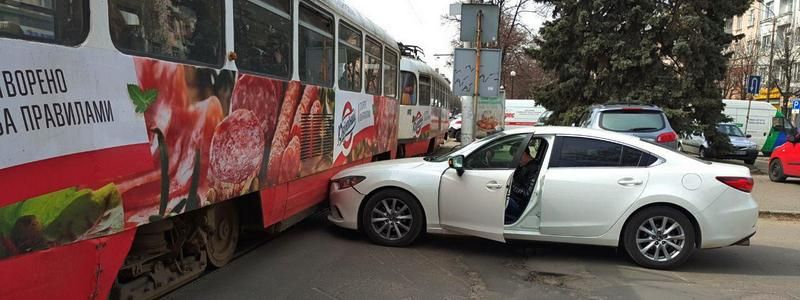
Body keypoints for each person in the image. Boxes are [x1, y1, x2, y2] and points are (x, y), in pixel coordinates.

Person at [505, 146, 540, 224]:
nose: (516, 161)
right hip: (514, 197)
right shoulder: (523, 166)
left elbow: (527, 193)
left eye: (516, 158)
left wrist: (511, 184)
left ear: (523, 154)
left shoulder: (534, 168)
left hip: (520, 205)